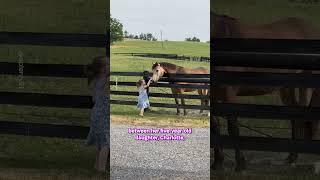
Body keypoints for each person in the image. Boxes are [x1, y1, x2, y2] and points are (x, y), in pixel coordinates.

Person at [85, 56, 110, 172]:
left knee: (101, 143)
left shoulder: (95, 80)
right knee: (106, 143)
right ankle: (101, 169)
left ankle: (97, 166)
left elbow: (95, 99)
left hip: (96, 113)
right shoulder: (106, 81)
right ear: (103, 69)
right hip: (104, 114)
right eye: (108, 65)